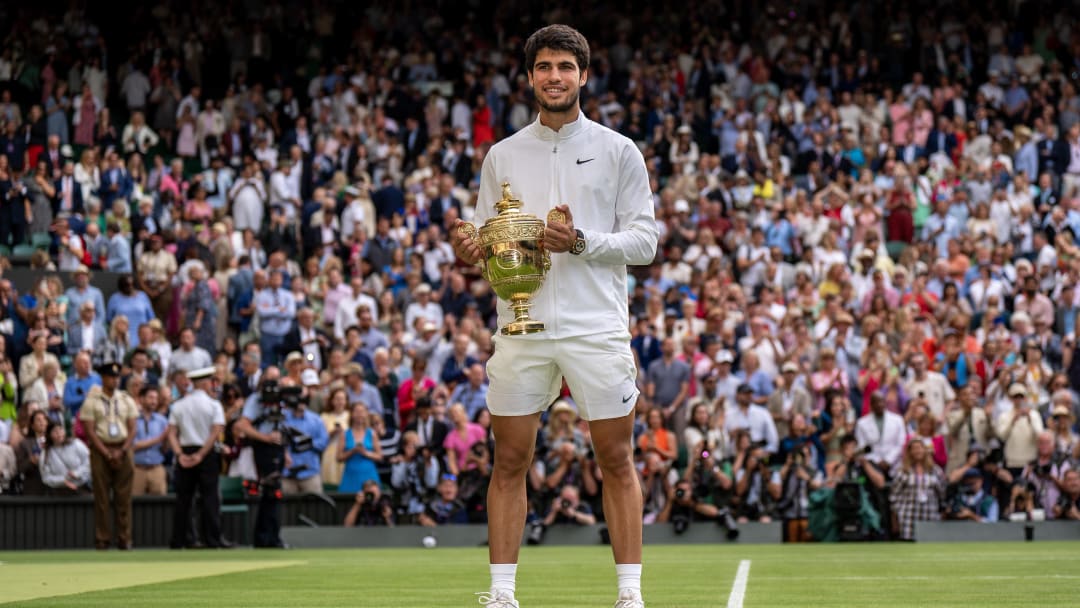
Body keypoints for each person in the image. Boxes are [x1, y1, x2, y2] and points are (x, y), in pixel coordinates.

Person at [449, 25, 658, 608]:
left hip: (597, 326)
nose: (555, 76)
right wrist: (474, 252)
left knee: (616, 458)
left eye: (565, 66)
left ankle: (629, 595)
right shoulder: (503, 155)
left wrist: (582, 241)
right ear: (531, 76)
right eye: (544, 66)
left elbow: (646, 241)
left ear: (584, 75)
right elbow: (494, 244)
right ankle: (502, 595)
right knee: (510, 459)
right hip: (521, 328)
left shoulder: (619, 149)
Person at [78, 362, 139, 550]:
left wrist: (122, 450)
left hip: (123, 446)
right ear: (103, 378)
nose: (115, 380)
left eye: (117, 377)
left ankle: (124, 538)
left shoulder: (126, 399)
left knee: (124, 496)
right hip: (100, 447)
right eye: (111, 377)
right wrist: (105, 452)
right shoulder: (92, 400)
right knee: (102, 496)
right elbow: (89, 430)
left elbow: (132, 428)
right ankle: (102, 538)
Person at [166, 366, 228, 548]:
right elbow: (215, 432)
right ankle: (212, 539)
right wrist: (201, 454)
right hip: (206, 454)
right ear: (206, 383)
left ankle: (181, 539)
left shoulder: (179, 405)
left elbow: (171, 433)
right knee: (210, 498)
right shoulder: (214, 405)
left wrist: (180, 454)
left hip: (185, 451)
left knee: (183, 499)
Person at [337, 402, 383, 493]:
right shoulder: (345, 434)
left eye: (362, 412)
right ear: (352, 414)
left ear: (366, 414)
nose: (359, 415)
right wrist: (352, 451)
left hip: (369, 475)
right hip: (350, 475)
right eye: (357, 412)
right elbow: (339, 457)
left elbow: (379, 456)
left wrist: (365, 453)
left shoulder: (372, 433)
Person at [131, 385, 168, 496]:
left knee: (160, 505)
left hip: (156, 468)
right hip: (137, 469)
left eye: (156, 398)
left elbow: (164, 449)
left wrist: (167, 440)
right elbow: (133, 446)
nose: (154, 401)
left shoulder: (162, 421)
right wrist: (159, 439)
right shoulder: (133, 419)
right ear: (141, 399)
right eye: (150, 398)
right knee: (135, 504)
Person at [38, 420, 91, 495]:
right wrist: (63, 481)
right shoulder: (46, 453)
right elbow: (46, 477)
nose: (58, 433)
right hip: (60, 492)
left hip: (81, 487)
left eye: (60, 429)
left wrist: (77, 473)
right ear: (49, 435)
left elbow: (88, 461)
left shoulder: (76, 444)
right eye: (55, 431)